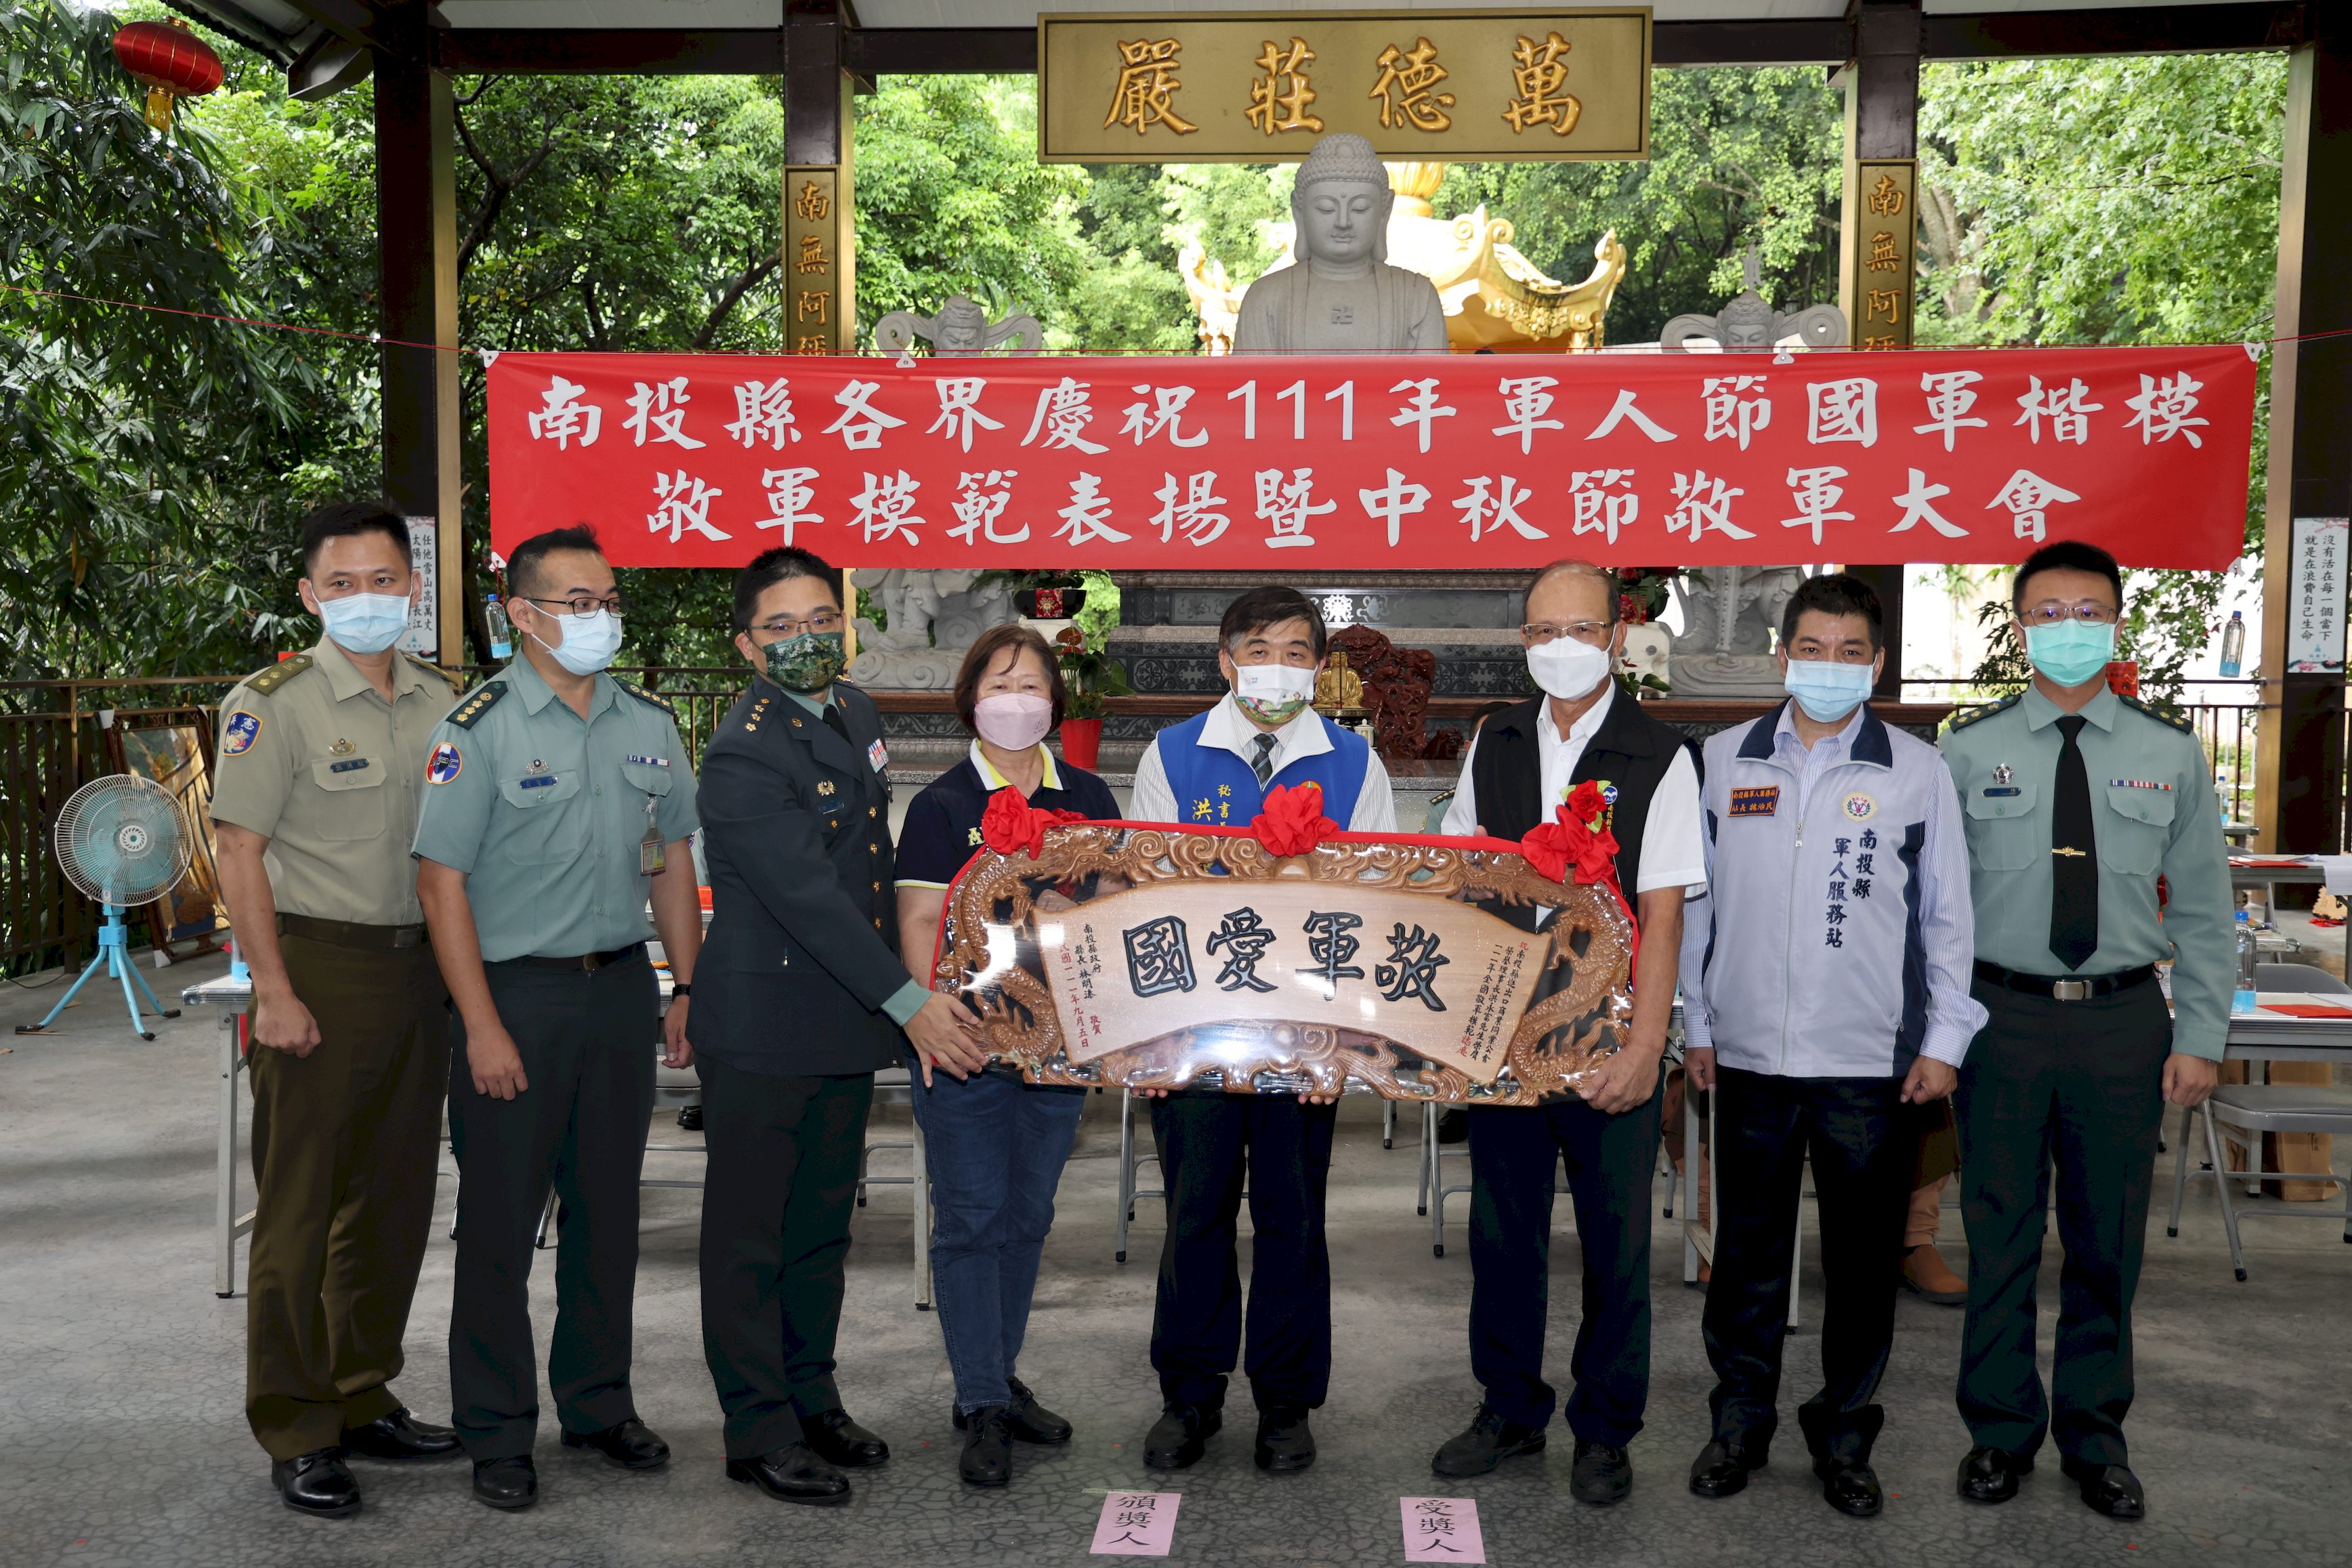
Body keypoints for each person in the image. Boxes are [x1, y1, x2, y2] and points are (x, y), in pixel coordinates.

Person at [1677, 573, 1986, 1517]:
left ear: (1878, 663)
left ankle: (1846, 1432)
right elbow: (1695, 906)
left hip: (1870, 1066)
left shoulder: (1916, 768)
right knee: (1749, 1258)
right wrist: (1697, 1018)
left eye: (1853, 652)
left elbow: (1947, 917)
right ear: (1784, 653)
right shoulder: (1723, 760)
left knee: (1860, 1263)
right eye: (1813, 648)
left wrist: (1942, 1038)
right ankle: (1740, 1421)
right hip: (1751, 1062)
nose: (1831, 666)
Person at [412, 525, 703, 1511]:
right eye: (578, 601)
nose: (601, 617)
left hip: (618, 989)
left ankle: (597, 1401)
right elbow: (439, 881)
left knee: (608, 1213)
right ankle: (496, 1425)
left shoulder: (648, 722)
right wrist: (481, 1023)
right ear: (523, 615)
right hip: (517, 997)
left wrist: (685, 986)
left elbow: (668, 862)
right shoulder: (478, 726)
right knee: (498, 1220)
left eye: (608, 598)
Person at [692, 547, 988, 1507]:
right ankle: (757, 1426)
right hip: (765, 1022)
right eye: (779, 626)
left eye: (822, 618)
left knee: (819, 1228)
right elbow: (809, 899)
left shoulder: (854, 709)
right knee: (750, 1236)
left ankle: (811, 1394)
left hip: (840, 1022)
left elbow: (870, 865)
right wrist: (911, 1001)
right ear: (745, 643)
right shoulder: (741, 747)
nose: (805, 638)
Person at [1940, 540, 2225, 1521]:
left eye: (2088, 609)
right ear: (2021, 626)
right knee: (2000, 1231)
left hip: (2122, 1022)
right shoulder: (1966, 749)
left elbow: (2199, 907)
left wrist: (2202, 1032)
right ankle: (1999, 1431)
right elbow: (1938, 907)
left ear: (2116, 621)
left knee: (2107, 1240)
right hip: (2001, 1018)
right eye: (2049, 610)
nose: (2070, 627)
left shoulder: (2169, 751)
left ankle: (2097, 1437)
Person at [1429, 559, 1705, 1504]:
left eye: (1583, 629)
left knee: (1613, 1240)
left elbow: (1663, 916)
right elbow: (1464, 880)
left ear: (1618, 636)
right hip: (1505, 1037)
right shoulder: (1495, 738)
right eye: (1545, 630)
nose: (1564, 647)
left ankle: (1605, 1426)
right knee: (1502, 1232)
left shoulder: (1659, 755)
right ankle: (1508, 1405)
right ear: (1524, 642)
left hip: (1609, 1046)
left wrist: (1646, 1049)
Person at [210, 501, 466, 1517]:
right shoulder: (272, 702)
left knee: (395, 1197)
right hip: (318, 964)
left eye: (387, 580)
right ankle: (297, 1422)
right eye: (345, 583)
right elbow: (238, 849)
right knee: (302, 1205)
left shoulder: (447, 697)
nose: (370, 599)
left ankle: (362, 1392)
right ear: (312, 595)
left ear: (414, 588)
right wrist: (272, 988)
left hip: (420, 967)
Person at [1127, 585, 1396, 1475]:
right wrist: (1153, 1036)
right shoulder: (1173, 755)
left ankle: (1286, 1402)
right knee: (1195, 1213)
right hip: (1196, 1036)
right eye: (1257, 645)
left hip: (1304, 1038)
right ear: (1224, 658)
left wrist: (1347, 1042)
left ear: (1320, 667)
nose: (1275, 663)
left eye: (1294, 648)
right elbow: (1144, 900)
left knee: (1292, 1215)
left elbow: (1377, 906)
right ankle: (1189, 1393)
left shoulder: (1355, 763)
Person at [893, 624, 1122, 1488]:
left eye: (1031, 683)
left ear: (1054, 701)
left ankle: (996, 1371)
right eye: (998, 682)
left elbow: (1116, 916)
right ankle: (981, 1398)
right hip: (966, 1047)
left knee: (1026, 1217)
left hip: (1059, 1048)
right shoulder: (942, 804)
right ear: (970, 700)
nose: (1016, 698)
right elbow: (917, 923)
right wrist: (930, 1020)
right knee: (970, 1220)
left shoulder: (1093, 795)